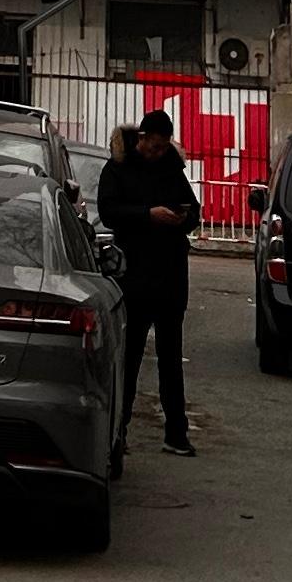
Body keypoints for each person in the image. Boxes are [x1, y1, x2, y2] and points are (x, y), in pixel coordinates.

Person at [95, 106, 200, 457]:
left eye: (163, 146)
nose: (158, 152)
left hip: (170, 275)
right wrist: (147, 215)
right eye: (154, 146)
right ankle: (118, 429)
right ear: (142, 139)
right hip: (135, 275)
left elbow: (195, 210)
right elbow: (108, 210)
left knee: (171, 358)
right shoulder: (119, 167)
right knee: (130, 357)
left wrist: (181, 218)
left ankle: (176, 432)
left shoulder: (172, 167)